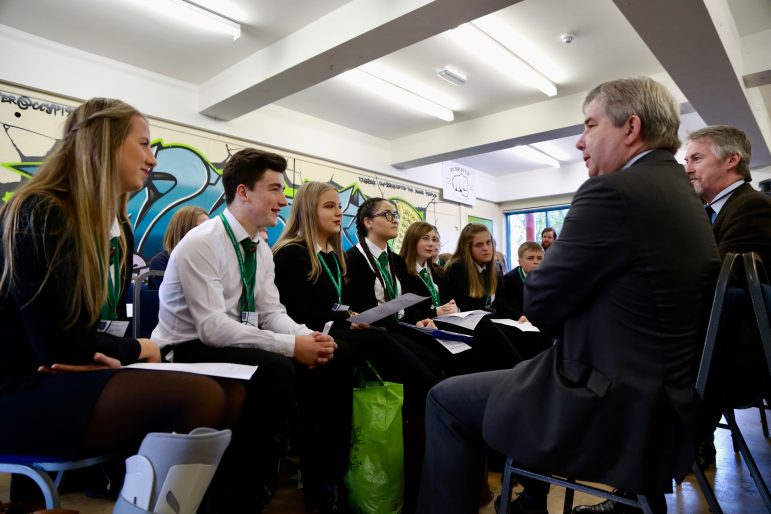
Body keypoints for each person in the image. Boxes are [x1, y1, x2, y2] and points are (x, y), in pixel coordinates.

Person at [417, 77, 720, 514]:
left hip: (609, 400)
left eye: (590, 125)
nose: (581, 142)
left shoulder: (612, 193)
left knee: (443, 398)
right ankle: (541, 502)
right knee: (522, 368)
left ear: (630, 128)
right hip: (666, 400)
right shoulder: (686, 196)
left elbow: (540, 302)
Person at [0, 98, 247, 511]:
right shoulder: (41, 211)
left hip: (62, 376)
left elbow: (80, 338)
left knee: (233, 392)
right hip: (19, 389)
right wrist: (138, 350)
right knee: (199, 397)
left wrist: (102, 355)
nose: (152, 158)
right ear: (105, 143)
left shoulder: (116, 227)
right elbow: (58, 345)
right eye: (145, 144)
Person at [151, 148, 337, 511]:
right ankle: (239, 493)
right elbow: (212, 329)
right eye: (274, 189)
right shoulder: (203, 243)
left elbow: (272, 313)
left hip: (225, 343)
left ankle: (319, 484)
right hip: (183, 349)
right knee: (277, 369)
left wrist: (305, 336)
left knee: (329, 360)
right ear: (243, 192)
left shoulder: (260, 248)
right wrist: (289, 346)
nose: (284, 200)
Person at [272, 182, 440, 512]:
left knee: (405, 351)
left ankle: (421, 448)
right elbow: (294, 314)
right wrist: (344, 319)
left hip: (340, 332)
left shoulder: (332, 257)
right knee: (374, 343)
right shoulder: (292, 253)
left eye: (339, 206)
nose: (339, 213)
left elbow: (331, 305)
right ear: (309, 211)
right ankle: (327, 487)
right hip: (307, 338)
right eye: (329, 207)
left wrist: (349, 315)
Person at [684, 125, 771, 468]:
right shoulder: (710, 213)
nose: (688, 167)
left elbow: (718, 284)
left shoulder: (752, 207)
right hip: (717, 344)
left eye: (696, 158)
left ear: (732, 160)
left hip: (739, 356)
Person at [147, 206, 208, 288]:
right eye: (200, 228)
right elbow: (177, 297)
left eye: (208, 227)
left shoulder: (210, 259)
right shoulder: (161, 262)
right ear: (183, 230)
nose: (207, 232)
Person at [503, 241, 544, 316]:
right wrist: (519, 316)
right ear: (520, 262)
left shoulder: (548, 279)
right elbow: (504, 307)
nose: (536, 262)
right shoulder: (508, 280)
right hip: (520, 321)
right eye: (530, 258)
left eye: (539, 258)